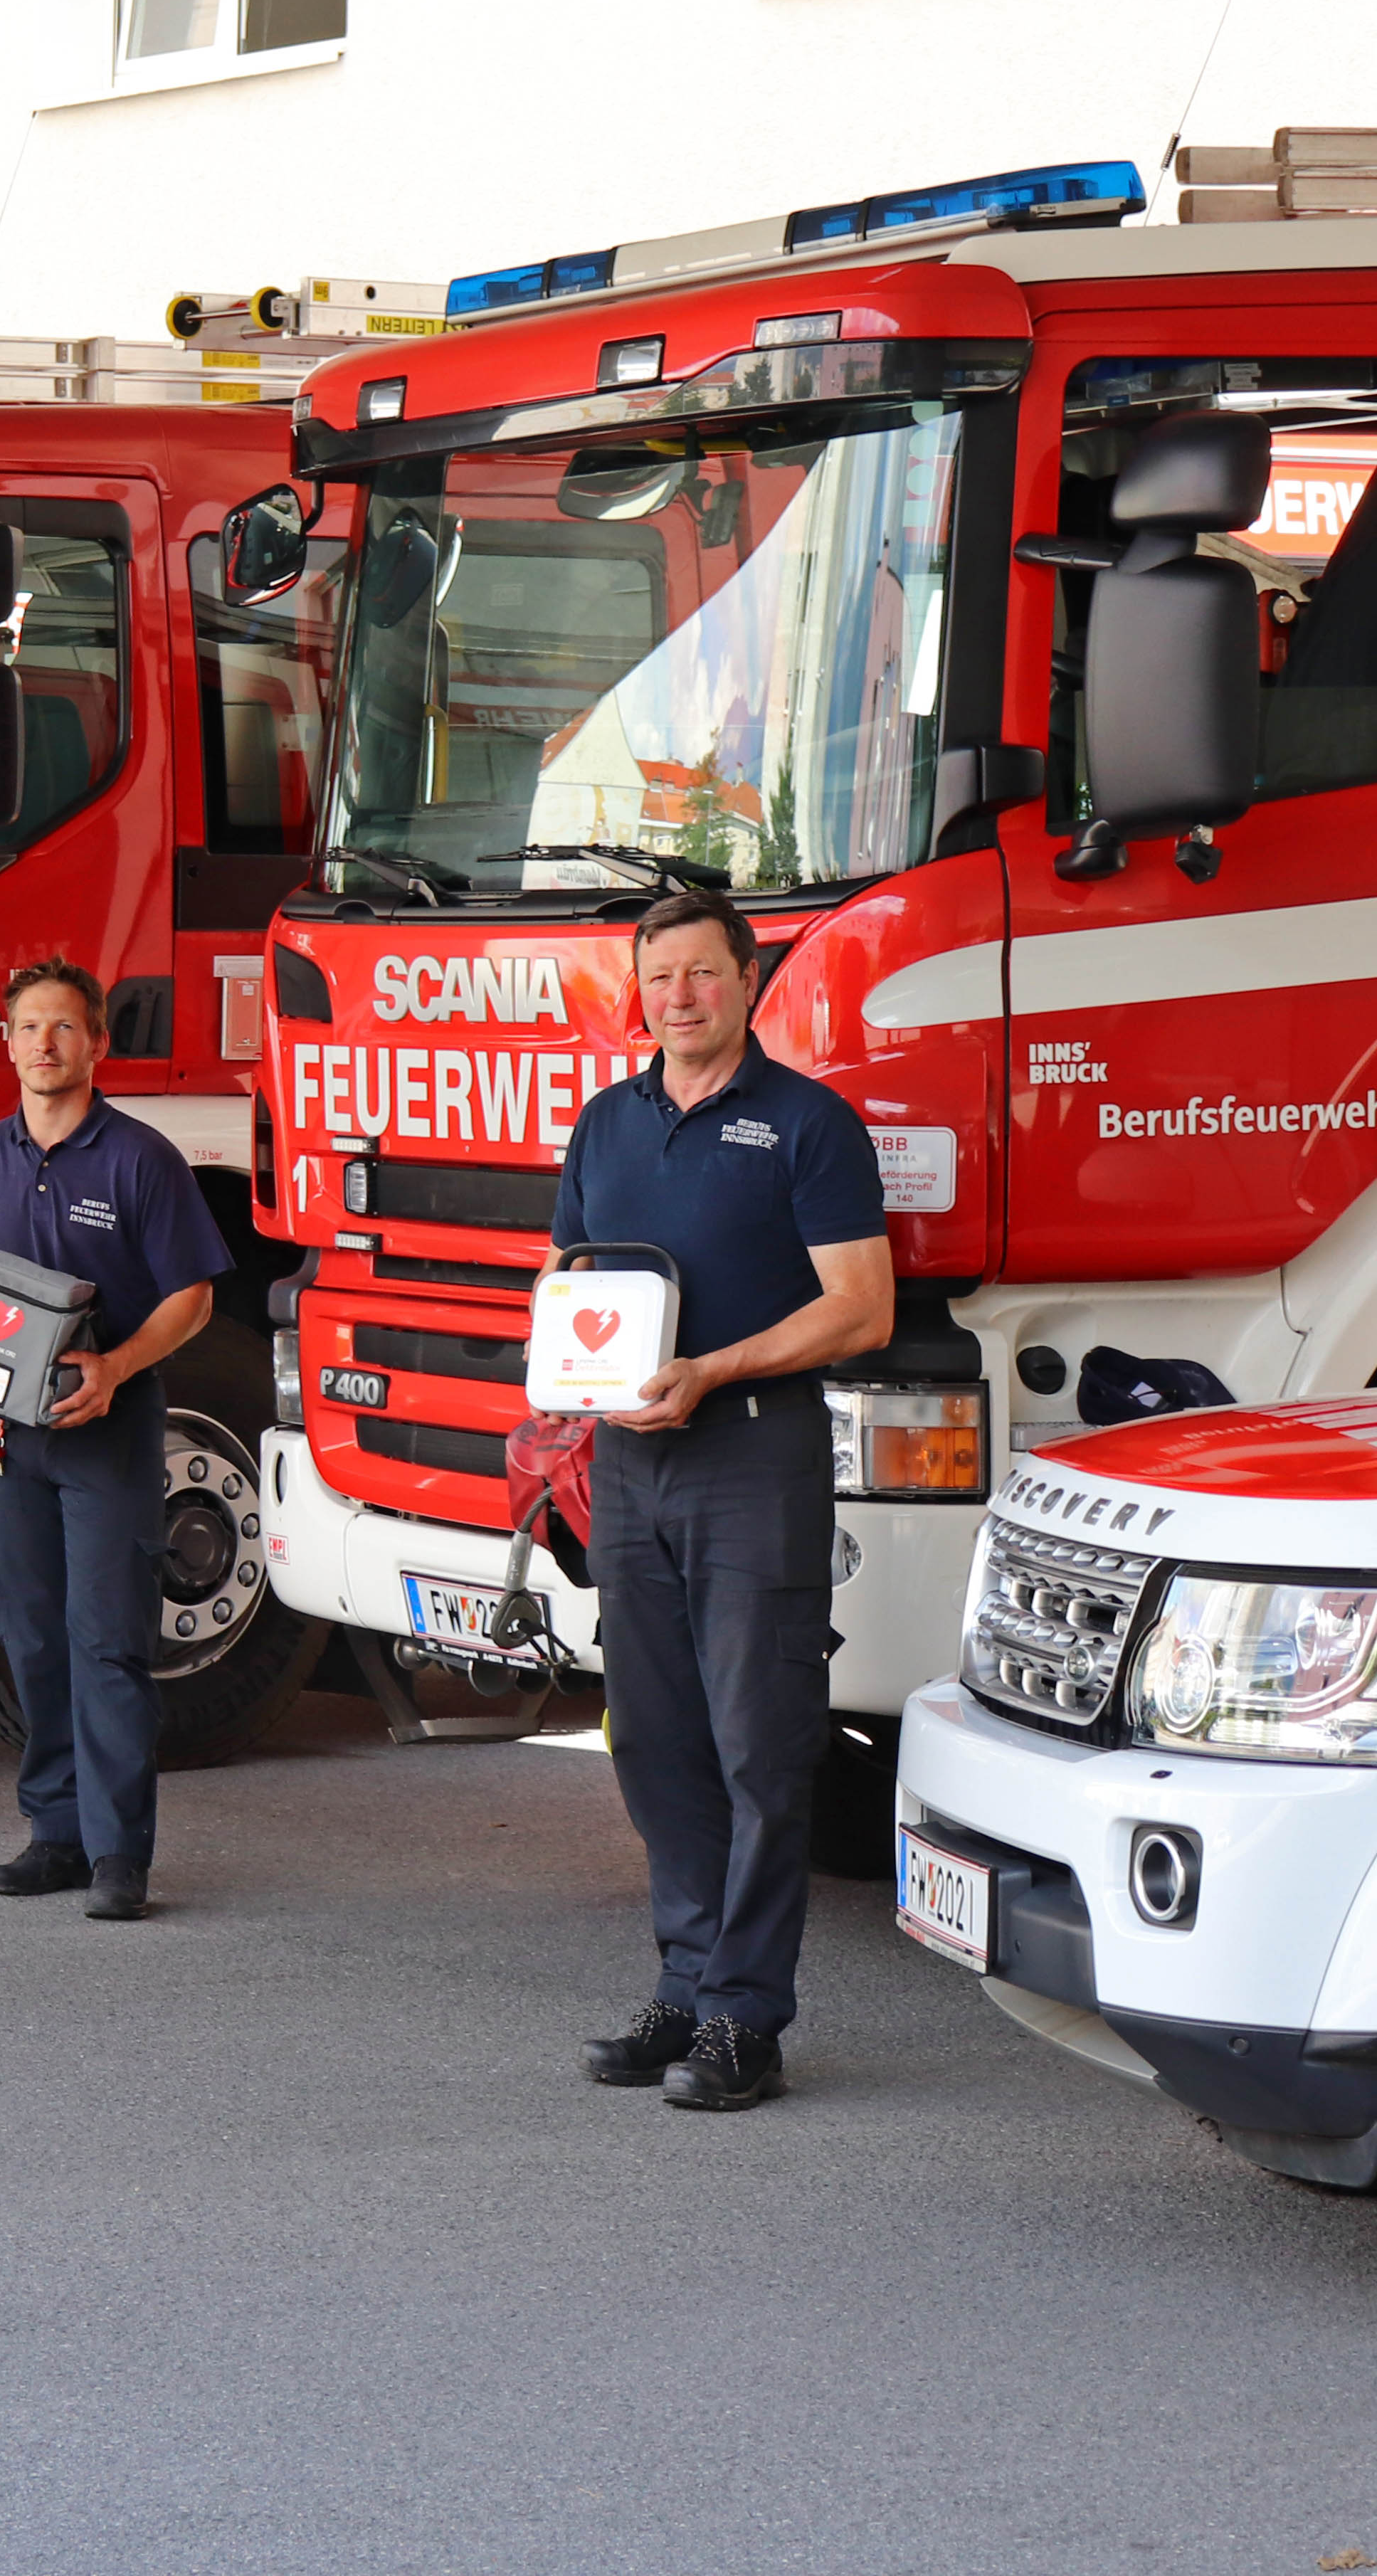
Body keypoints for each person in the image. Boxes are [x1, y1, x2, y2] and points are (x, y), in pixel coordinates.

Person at [555, 892, 892, 2112]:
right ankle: (684, 1982)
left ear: (747, 981)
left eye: (701, 973)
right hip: (632, 1466)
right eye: (657, 979)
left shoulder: (807, 1123)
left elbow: (860, 1305)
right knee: (651, 1735)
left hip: (751, 1453)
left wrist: (713, 1365)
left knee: (759, 1743)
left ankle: (745, 2014)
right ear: (634, 992)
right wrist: (558, 1397)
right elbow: (569, 1279)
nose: (678, 997)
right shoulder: (602, 1125)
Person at [0, 959, 231, 1921]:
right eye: (29, 1028)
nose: (45, 1045)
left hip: (109, 1432)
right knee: (28, 1637)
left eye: (65, 1028)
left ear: (97, 1044)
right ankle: (54, 1834)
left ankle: (119, 1855)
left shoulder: (140, 1159)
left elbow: (194, 1297)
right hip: (12, 1443)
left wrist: (116, 1369)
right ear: (7, 1041)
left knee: (105, 1642)